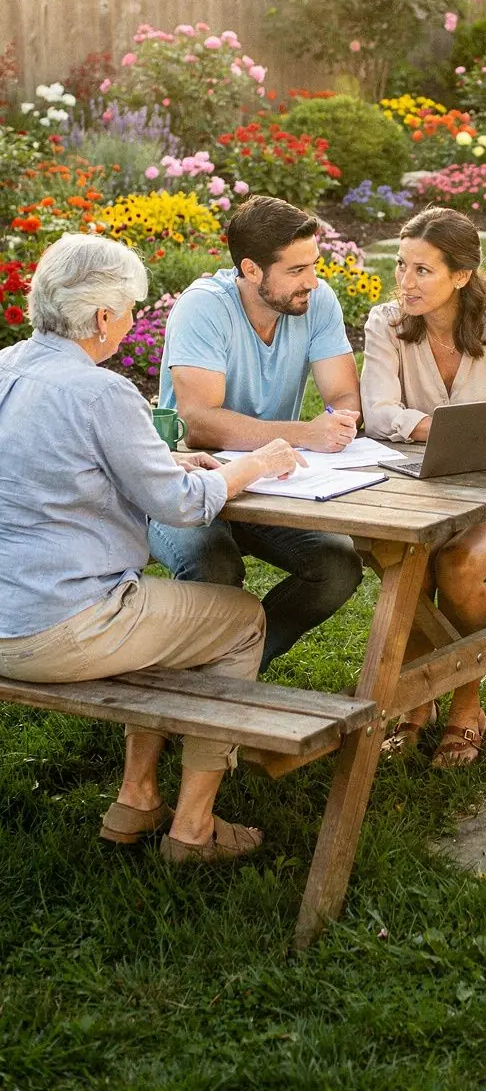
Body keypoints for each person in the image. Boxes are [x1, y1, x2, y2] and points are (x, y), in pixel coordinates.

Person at [0, 233, 308, 862]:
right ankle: (194, 829)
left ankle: (138, 797)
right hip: (58, 629)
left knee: (173, 614)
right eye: (131, 309)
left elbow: (61, 464)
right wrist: (256, 463)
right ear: (102, 317)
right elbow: (183, 506)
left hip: (9, 613)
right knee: (240, 620)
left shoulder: (7, 366)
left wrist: (167, 462)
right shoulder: (102, 392)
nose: (134, 320)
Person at [360, 206, 486, 767]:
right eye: (401, 266)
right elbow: (377, 414)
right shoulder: (386, 324)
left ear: (462, 275)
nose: (405, 281)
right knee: (412, 564)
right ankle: (416, 702)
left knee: (458, 565)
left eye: (422, 270)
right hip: (419, 498)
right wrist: (444, 428)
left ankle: (467, 702)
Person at [148, 196, 364, 670]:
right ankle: (202, 686)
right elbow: (200, 424)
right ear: (250, 269)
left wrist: (340, 418)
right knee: (214, 565)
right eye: (296, 270)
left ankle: (237, 667)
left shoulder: (317, 301)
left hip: (271, 488)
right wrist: (306, 433)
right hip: (187, 482)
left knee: (337, 566)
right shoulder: (204, 308)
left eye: (314, 264)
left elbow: (343, 393)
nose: (311, 280)